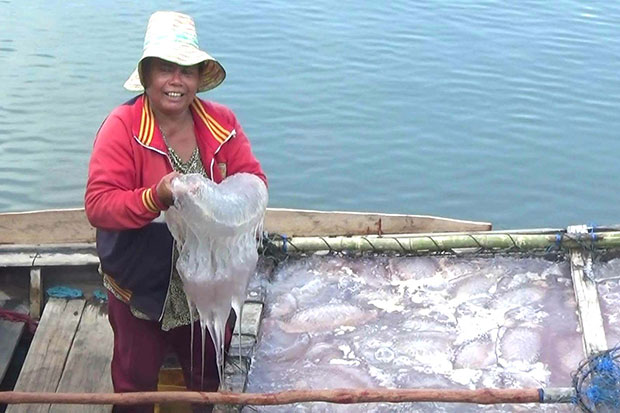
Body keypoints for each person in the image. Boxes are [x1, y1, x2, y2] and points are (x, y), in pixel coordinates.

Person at [84, 11, 267, 413]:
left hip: (209, 286)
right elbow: (99, 205)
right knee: (134, 386)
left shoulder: (222, 123)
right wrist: (157, 196)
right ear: (147, 75)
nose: (176, 81)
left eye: (186, 70)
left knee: (206, 383)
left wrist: (245, 196)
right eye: (165, 69)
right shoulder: (122, 127)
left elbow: (251, 176)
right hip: (142, 288)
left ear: (199, 78)